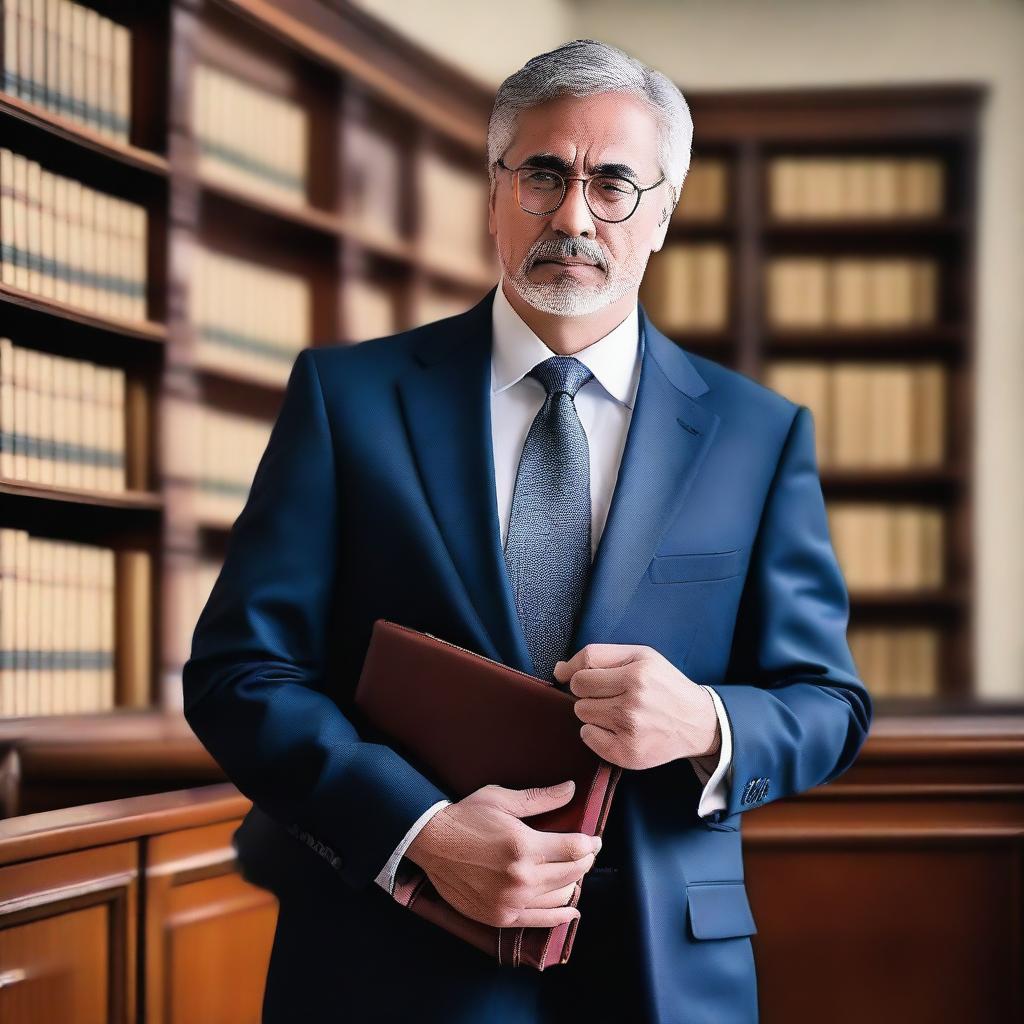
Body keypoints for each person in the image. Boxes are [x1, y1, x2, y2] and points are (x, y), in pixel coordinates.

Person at [182, 38, 872, 1024]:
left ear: (663, 214)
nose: (573, 215)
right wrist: (416, 831)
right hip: (387, 956)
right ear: (494, 193)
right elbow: (240, 671)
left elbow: (827, 702)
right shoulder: (347, 400)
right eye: (544, 174)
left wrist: (704, 721)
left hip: (663, 973)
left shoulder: (758, 435)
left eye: (614, 184)